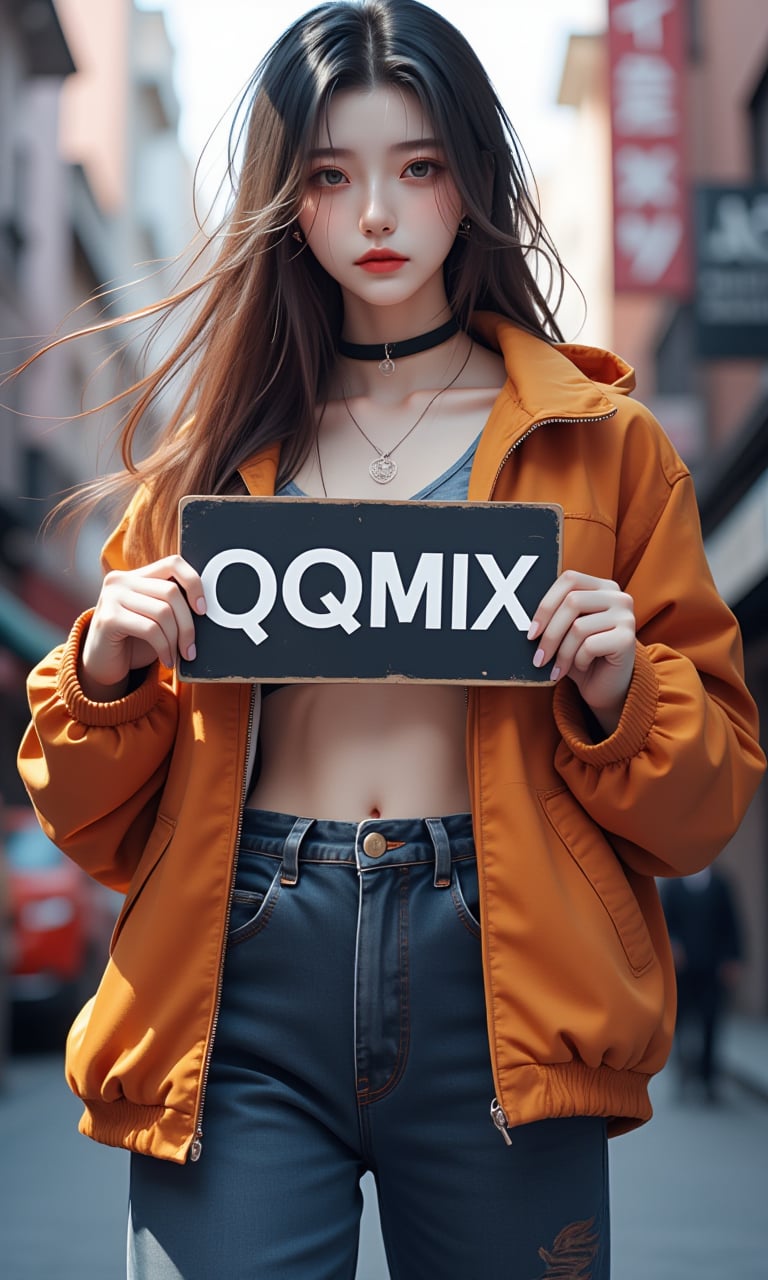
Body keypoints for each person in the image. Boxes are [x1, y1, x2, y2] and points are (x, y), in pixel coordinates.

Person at [15, 2, 765, 1277]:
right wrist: (101, 673)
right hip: (239, 963)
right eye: (330, 174)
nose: (376, 213)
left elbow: (706, 806)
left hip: (507, 970)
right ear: (286, 199)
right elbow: (87, 820)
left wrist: (625, 689)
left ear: (470, 182)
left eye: (417, 167)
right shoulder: (208, 462)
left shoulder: (603, 443)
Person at [661, 867, 745, 1102]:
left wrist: (733, 958)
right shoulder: (673, 887)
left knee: (711, 1021)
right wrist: (672, 946)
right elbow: (663, 922)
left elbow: (731, 924)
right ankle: (684, 1075)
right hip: (682, 970)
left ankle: (709, 1079)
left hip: (712, 968)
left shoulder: (720, 885)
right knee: (681, 1024)